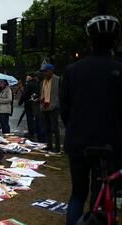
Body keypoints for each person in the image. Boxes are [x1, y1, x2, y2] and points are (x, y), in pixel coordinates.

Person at [60, 15, 122, 225]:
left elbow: (65, 109)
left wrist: (76, 129)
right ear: (116, 40)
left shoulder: (72, 70)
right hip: (110, 143)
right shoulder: (118, 70)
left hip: (78, 141)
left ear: (89, 40)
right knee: (102, 193)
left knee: (77, 193)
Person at [40, 63, 61, 153]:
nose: (45, 73)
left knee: (55, 128)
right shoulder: (43, 81)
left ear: (51, 71)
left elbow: (61, 93)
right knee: (47, 127)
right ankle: (49, 145)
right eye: (44, 72)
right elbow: (42, 92)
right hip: (45, 106)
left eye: (46, 71)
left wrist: (57, 103)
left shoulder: (58, 79)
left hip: (53, 106)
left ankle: (57, 147)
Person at [18, 73, 44, 141]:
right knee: (35, 118)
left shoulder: (29, 84)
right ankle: (36, 131)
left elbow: (25, 94)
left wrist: (20, 102)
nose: (26, 79)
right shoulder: (37, 84)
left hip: (28, 104)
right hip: (36, 104)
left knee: (29, 118)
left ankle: (31, 132)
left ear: (30, 78)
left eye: (27, 78)